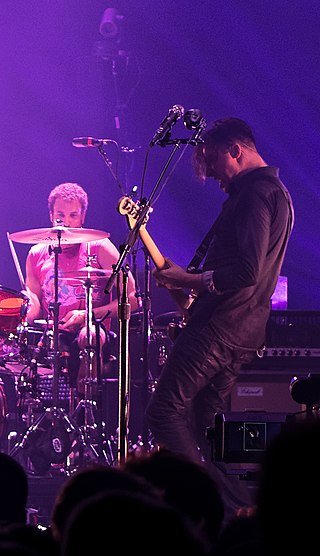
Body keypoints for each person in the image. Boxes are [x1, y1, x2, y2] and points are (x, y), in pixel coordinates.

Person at [144, 117, 293, 519]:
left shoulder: (255, 195)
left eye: (213, 163)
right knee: (197, 422)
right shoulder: (274, 192)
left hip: (221, 328)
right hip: (245, 330)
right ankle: (235, 510)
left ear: (235, 151)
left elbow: (245, 272)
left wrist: (186, 278)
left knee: (163, 412)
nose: (212, 176)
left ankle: (215, 505)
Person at [23, 182, 139, 401]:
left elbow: (133, 299)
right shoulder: (36, 253)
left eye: (73, 216)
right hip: (52, 334)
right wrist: (21, 312)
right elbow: (35, 304)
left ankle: (86, 402)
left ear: (82, 217)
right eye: (60, 216)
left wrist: (88, 315)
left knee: (90, 335)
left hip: (93, 331)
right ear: (51, 216)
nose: (66, 222)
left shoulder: (99, 247)